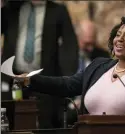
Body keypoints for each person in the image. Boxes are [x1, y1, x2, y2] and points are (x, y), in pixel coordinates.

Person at [1, 0, 79, 128]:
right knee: (12, 123)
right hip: (12, 79)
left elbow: (69, 44)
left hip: (43, 79)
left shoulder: (58, 10)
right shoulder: (12, 8)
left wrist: (68, 79)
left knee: (44, 124)